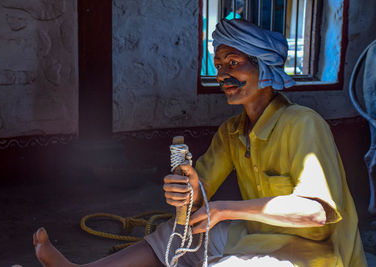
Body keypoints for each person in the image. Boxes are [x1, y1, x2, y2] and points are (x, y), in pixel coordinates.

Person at [33, 19, 367, 266]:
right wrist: (186, 191)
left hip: (317, 250)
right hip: (260, 234)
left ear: (263, 66)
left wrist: (223, 209)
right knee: (178, 234)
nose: (223, 74)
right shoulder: (232, 131)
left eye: (233, 63)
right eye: (219, 65)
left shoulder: (303, 123)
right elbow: (197, 199)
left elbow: (317, 212)